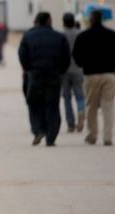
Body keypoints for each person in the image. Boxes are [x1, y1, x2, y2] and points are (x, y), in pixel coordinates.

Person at [18, 12, 70, 146]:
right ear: (48, 21)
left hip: (35, 75)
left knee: (34, 103)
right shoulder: (59, 37)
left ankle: (38, 130)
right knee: (52, 105)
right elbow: (66, 58)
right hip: (53, 75)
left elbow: (22, 55)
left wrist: (29, 69)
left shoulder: (28, 36)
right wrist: (60, 71)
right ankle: (51, 137)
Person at [73, 10, 115, 146]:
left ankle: (92, 135)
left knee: (91, 106)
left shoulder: (83, 36)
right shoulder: (111, 35)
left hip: (91, 74)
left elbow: (76, 56)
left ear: (90, 20)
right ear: (101, 19)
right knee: (107, 106)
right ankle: (108, 137)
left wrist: (83, 64)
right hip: (109, 74)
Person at [61, 13, 85, 133]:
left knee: (67, 98)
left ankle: (70, 124)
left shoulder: (61, 35)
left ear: (64, 22)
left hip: (64, 70)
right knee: (80, 95)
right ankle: (81, 111)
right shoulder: (80, 34)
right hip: (78, 69)